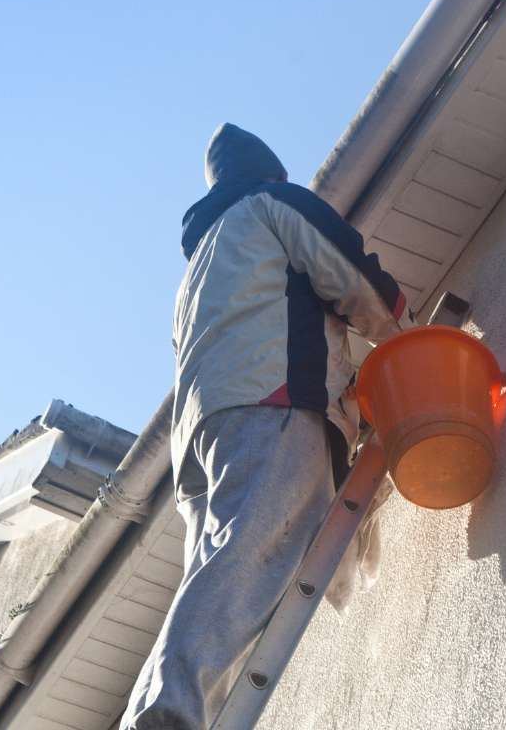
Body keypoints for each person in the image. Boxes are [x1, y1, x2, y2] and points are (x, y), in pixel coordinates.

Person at [124, 123, 407, 730]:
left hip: (202, 439)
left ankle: (169, 713)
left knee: (223, 578)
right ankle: (166, 719)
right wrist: (407, 343)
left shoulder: (193, 274)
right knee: (244, 560)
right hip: (269, 406)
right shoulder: (268, 204)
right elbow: (347, 271)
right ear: (272, 173)